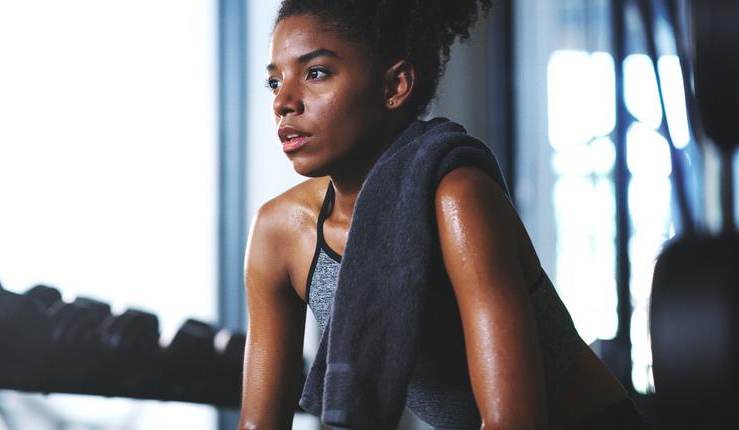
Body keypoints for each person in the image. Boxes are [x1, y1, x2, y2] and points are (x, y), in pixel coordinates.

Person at [238, 1, 647, 429]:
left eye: (316, 72)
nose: (283, 102)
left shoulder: (458, 199)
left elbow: (515, 422)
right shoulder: (279, 233)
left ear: (395, 85)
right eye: (274, 81)